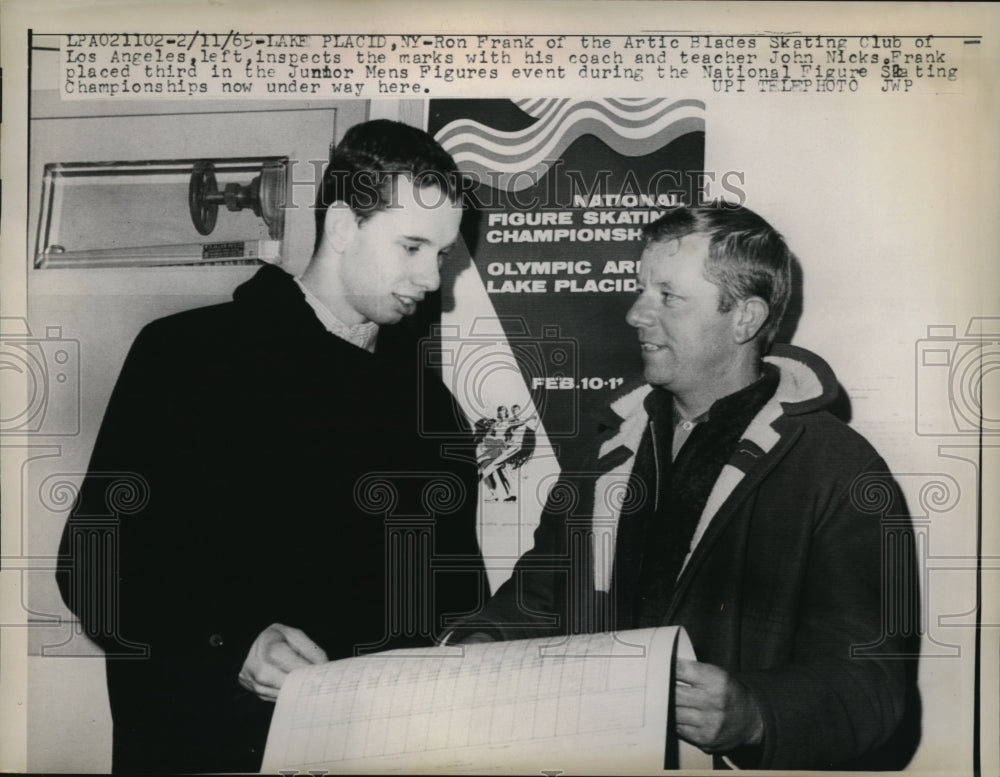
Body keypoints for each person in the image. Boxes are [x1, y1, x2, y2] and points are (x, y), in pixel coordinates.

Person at [56, 119, 488, 773]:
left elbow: (453, 599)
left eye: (442, 253)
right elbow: (92, 569)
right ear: (342, 226)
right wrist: (229, 645)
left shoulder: (433, 411)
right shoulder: (188, 358)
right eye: (411, 247)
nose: (433, 279)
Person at [450, 204, 919, 770]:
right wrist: (478, 646)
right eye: (641, 290)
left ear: (744, 318)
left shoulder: (840, 469)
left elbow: (873, 685)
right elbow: (538, 598)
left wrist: (757, 713)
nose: (634, 314)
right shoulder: (605, 452)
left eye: (667, 297)